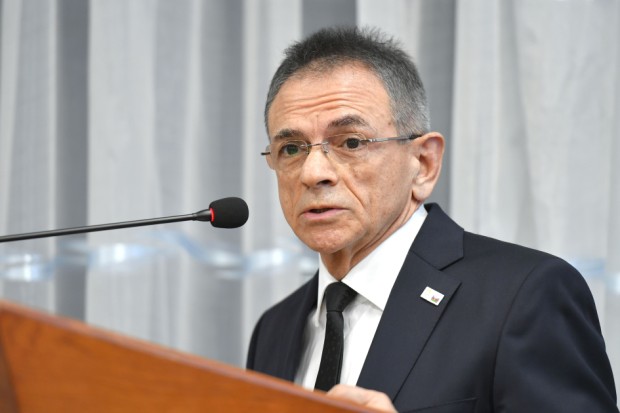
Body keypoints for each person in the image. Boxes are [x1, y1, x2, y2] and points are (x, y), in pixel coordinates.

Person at [246, 26, 618, 412]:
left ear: (424, 163)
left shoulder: (523, 296)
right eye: (291, 148)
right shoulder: (274, 328)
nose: (312, 173)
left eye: (351, 142)